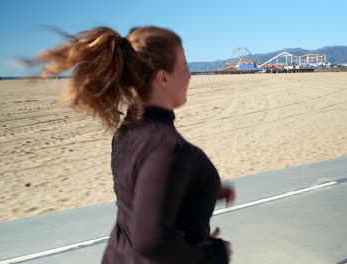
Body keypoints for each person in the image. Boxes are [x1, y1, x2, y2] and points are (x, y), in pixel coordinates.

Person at [36, 26, 235, 263]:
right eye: (185, 68)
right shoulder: (168, 147)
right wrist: (211, 255)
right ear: (162, 77)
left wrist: (207, 188)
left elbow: (142, 190)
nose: (190, 76)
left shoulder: (127, 132)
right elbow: (151, 241)